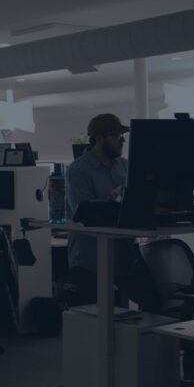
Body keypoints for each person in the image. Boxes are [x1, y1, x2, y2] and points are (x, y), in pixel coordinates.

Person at [65, 113, 135, 304]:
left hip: (122, 255)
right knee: (93, 319)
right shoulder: (78, 170)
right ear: (99, 139)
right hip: (90, 259)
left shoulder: (125, 166)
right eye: (117, 137)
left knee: (124, 317)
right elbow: (84, 213)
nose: (122, 141)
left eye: (123, 137)